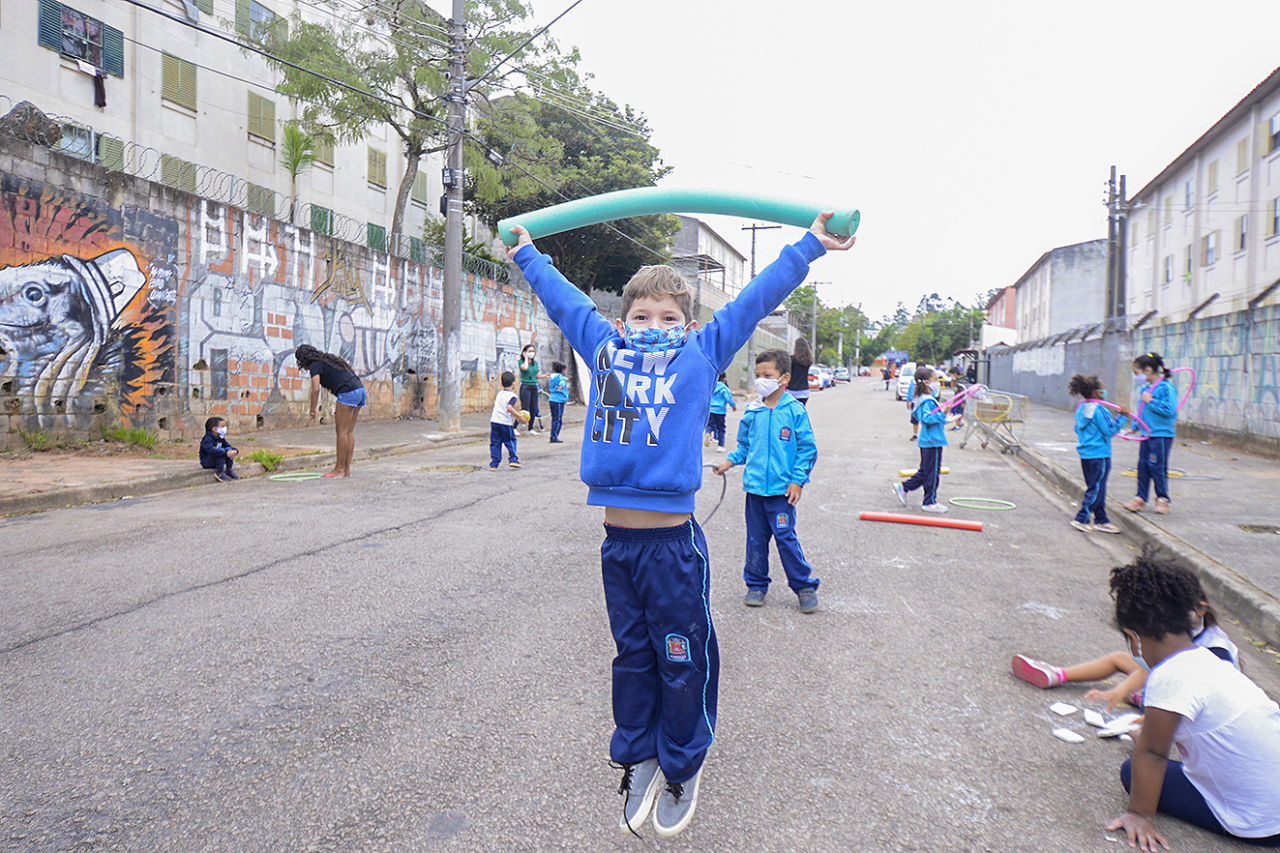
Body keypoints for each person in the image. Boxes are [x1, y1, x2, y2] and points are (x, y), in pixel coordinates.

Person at [507, 214, 854, 838]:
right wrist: (529, 254)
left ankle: (684, 761)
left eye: (668, 318)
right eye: (642, 316)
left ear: (688, 325)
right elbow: (564, 301)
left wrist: (810, 247)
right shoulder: (604, 348)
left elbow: (755, 299)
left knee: (678, 656)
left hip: (671, 547)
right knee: (632, 655)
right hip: (618, 544)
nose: (654, 327)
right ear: (623, 322)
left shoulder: (700, 353)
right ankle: (638, 751)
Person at [1103, 549, 1280, 850]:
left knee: (1132, 769)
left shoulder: (1169, 674)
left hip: (1258, 823)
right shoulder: (1212, 661)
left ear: (1134, 637)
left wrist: (1139, 814)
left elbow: (1154, 753)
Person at [1011, 584, 1239, 710]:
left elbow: (1209, 697)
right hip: (1164, 686)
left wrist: (1153, 719)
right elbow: (1148, 668)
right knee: (1119, 658)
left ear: (1201, 609)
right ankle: (1056, 674)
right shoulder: (1182, 636)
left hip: (1180, 700)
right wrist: (1118, 692)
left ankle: (1141, 698)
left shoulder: (1217, 650)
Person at [713, 350, 819, 613]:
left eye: (767, 375)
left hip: (782, 493)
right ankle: (756, 585)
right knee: (755, 540)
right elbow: (745, 446)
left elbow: (807, 449)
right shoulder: (753, 411)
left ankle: (803, 586)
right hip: (755, 492)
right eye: (758, 375)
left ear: (784, 378)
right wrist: (729, 461)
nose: (761, 380)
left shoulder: (795, 411)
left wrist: (797, 481)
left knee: (785, 538)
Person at [1068, 373, 1130, 535]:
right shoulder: (1100, 410)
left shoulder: (1082, 408)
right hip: (1099, 455)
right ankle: (1082, 518)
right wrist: (1122, 418)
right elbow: (1109, 431)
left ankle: (1101, 519)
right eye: (1103, 388)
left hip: (1086, 455)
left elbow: (1078, 429)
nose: (1105, 390)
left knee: (1097, 487)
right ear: (1096, 392)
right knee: (1095, 489)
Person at [295, 344, 365, 478]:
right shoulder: (327, 360)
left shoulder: (315, 365)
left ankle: (339, 469)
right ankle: (346, 469)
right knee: (349, 431)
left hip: (348, 391)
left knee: (341, 432)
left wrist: (312, 412)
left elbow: (315, 389)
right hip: (360, 390)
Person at [893, 367, 953, 512]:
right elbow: (927, 419)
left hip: (928, 440)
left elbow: (927, 417)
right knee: (932, 473)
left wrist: (945, 417)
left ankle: (904, 487)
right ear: (927, 382)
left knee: (926, 471)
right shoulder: (928, 400)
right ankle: (929, 502)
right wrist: (943, 414)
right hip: (933, 441)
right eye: (935, 379)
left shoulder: (920, 398)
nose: (937, 382)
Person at [1124, 352, 1177, 515]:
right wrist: (1134, 426)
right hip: (1146, 434)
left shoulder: (1166, 387)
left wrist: (1151, 401)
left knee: (1157, 466)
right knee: (1143, 466)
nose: (1136, 377)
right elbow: (1141, 410)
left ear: (1147, 370)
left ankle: (1162, 498)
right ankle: (1140, 497)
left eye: (1136, 373)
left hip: (1161, 434)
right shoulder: (1145, 389)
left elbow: (1169, 410)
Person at [489, 370, 522, 469]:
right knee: (510, 440)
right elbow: (509, 408)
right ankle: (513, 459)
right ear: (513, 383)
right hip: (505, 423)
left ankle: (494, 463)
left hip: (494, 421)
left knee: (495, 442)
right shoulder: (512, 396)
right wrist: (518, 416)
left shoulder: (499, 394)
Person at [199, 416, 239, 482]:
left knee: (227, 449)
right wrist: (225, 452)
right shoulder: (207, 439)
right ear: (214, 429)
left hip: (217, 459)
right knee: (220, 451)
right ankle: (220, 473)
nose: (225, 428)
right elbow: (211, 451)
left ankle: (229, 470)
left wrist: (234, 451)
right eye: (222, 426)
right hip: (207, 461)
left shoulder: (220, 437)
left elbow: (228, 446)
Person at [518, 344, 546, 434]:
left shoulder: (535, 363)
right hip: (525, 386)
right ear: (524, 352)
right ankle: (514, 427)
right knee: (525, 409)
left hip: (534, 387)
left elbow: (536, 375)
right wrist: (526, 358)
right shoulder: (521, 362)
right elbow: (525, 368)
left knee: (533, 409)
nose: (532, 353)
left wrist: (544, 376)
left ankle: (530, 429)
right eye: (529, 351)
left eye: (533, 351)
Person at [705, 372, 736, 451]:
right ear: (723, 378)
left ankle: (707, 433)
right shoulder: (724, 388)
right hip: (720, 411)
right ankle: (720, 446)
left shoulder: (712, 386)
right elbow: (728, 398)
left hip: (711, 409)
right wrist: (733, 406)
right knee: (721, 428)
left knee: (709, 425)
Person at [786, 337, 813, 407]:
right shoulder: (809, 360)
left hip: (791, 390)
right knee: (800, 411)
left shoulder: (791, 359)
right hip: (804, 391)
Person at [547, 360, 568, 443]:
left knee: (554, 418)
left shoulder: (551, 376)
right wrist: (560, 388)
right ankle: (554, 436)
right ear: (562, 370)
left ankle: (553, 435)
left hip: (552, 399)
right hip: (558, 400)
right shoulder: (560, 377)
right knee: (558, 419)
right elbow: (561, 384)